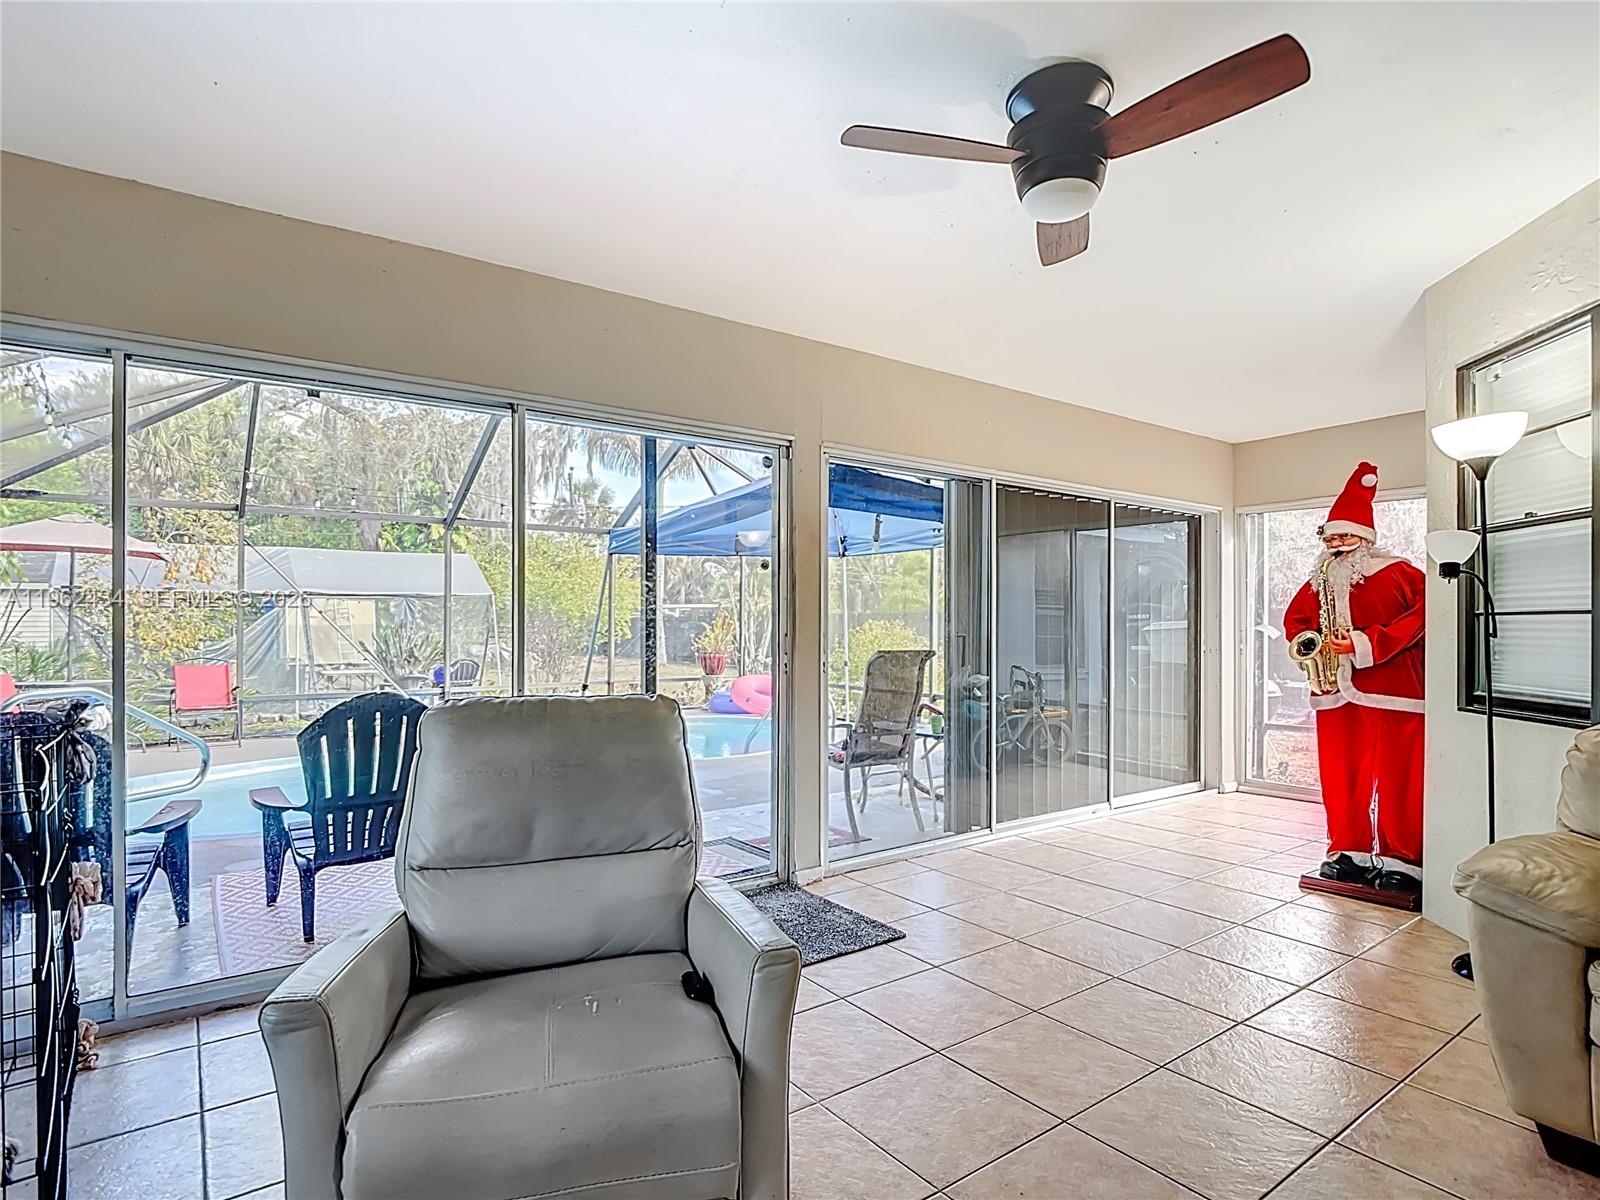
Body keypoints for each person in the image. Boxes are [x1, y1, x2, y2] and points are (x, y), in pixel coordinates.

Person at [1283, 462, 1425, 894]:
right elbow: (1296, 620)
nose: (1336, 545)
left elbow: (1423, 618)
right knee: (1341, 775)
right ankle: (1348, 851)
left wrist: (1365, 642)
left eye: (1344, 537)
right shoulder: (1318, 580)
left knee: (1401, 777)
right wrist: (1310, 643)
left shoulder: (1401, 573)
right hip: (1332, 691)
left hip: (1393, 691)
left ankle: (1404, 860)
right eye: (1330, 538)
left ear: (1365, 538)